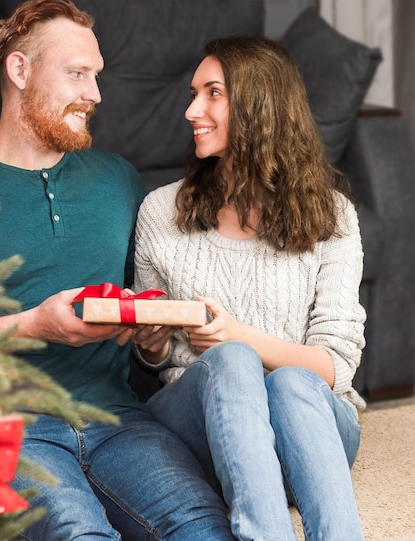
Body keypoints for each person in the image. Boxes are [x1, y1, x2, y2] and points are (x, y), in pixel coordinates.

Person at [0, 1, 236, 539]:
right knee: (77, 531)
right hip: (6, 426)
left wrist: (149, 336)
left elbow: (142, 329)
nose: (95, 95)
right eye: (77, 74)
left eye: (96, 76)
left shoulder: (118, 180)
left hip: (117, 420)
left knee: (203, 525)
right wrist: (32, 324)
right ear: (19, 70)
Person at [132, 37, 366, 541]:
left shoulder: (333, 218)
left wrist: (239, 335)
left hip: (310, 427)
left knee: (290, 381)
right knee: (233, 362)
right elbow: (158, 361)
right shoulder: (160, 212)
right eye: (194, 93)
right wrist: (149, 345)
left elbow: (336, 366)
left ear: (260, 106)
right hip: (203, 424)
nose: (192, 109)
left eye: (212, 93)